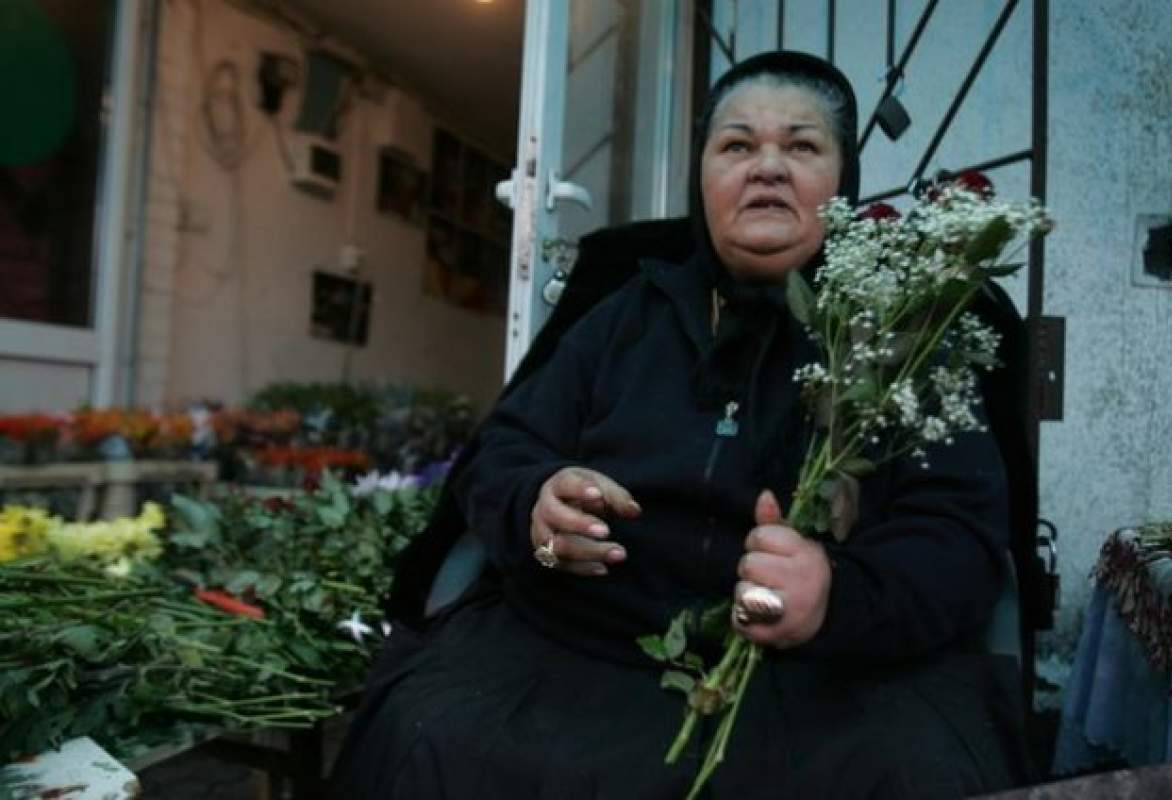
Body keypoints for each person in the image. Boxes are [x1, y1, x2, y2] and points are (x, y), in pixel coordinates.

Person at [333, 51, 1032, 799]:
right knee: (425, 734)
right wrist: (538, 501)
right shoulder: (622, 316)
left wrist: (836, 591)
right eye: (736, 145)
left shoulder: (903, 336)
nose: (767, 167)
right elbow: (505, 450)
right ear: (702, 180)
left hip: (826, 679)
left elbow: (957, 532)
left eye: (801, 146)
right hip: (575, 651)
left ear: (843, 180)